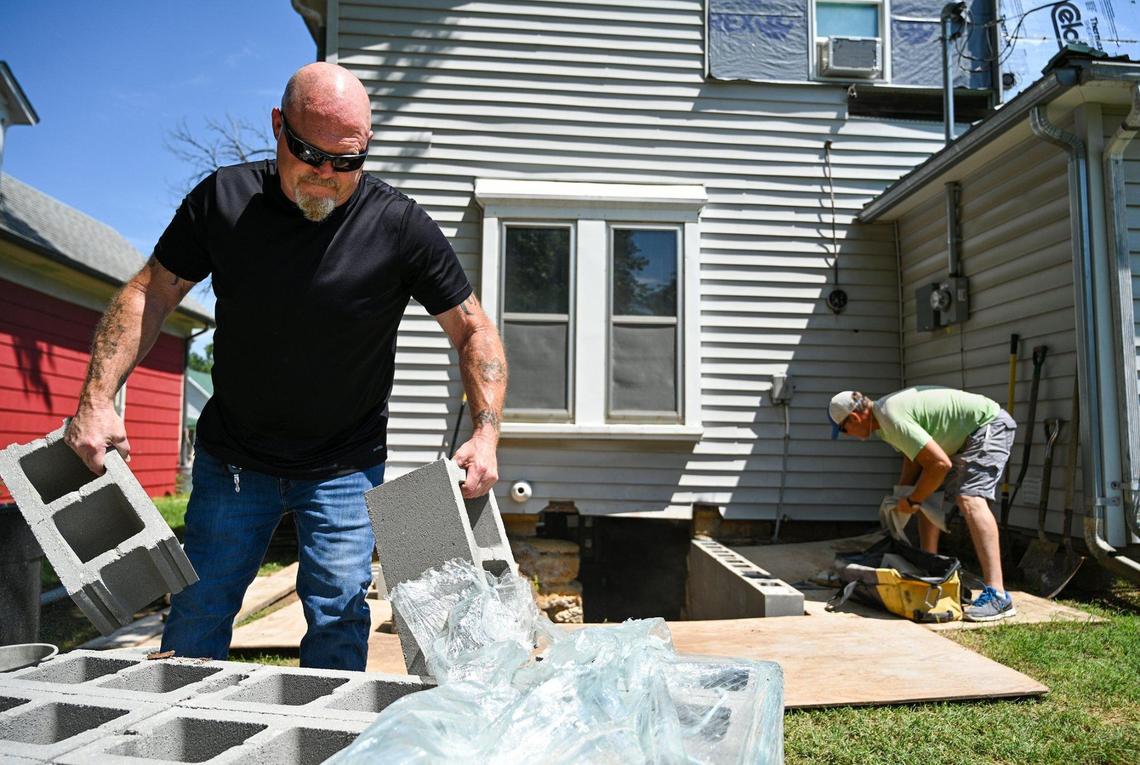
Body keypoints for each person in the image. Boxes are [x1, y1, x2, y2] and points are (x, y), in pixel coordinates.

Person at [64, 62, 508, 669]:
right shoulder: (224, 201)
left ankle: (328, 729)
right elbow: (151, 293)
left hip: (344, 465)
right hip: (234, 461)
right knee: (199, 610)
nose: (326, 174)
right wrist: (96, 399)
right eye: (309, 153)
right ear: (278, 126)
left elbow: (474, 328)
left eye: (346, 161)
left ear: (366, 146)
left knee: (339, 615)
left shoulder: (398, 225)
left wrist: (486, 433)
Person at [828, 387, 1017, 622]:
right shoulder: (883, 421)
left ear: (855, 418)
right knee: (926, 496)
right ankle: (930, 569)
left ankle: (998, 596)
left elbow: (940, 464)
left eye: (844, 430)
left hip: (987, 425)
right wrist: (904, 493)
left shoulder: (890, 417)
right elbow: (914, 457)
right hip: (962, 438)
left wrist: (913, 499)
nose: (847, 435)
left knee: (970, 499)